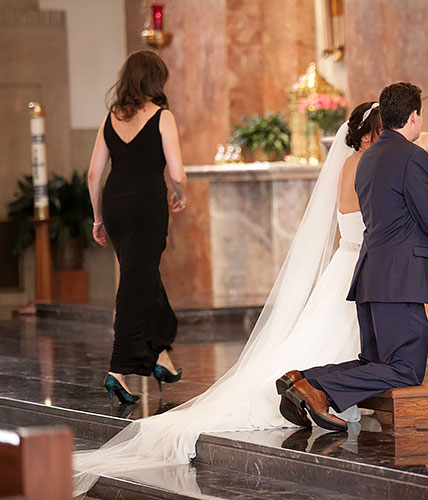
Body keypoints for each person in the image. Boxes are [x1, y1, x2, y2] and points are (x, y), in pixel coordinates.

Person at [73, 102, 382, 496]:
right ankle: (329, 387)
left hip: (345, 261)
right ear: (368, 132)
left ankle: (329, 386)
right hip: (354, 260)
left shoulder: (348, 163)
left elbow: (94, 171)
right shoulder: (365, 165)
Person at [276, 82, 428, 431]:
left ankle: (301, 379)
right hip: (400, 280)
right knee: (404, 369)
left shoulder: (367, 158)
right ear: (413, 116)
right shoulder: (413, 155)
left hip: (371, 276)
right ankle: (316, 388)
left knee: (375, 361)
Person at [87, 50, 186, 404]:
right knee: (134, 283)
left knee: (141, 275)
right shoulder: (162, 116)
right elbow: (176, 173)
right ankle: (118, 368)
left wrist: (98, 219)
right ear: (155, 80)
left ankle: (160, 355)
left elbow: (94, 173)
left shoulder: (109, 118)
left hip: (115, 205)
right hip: (146, 206)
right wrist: (180, 195)